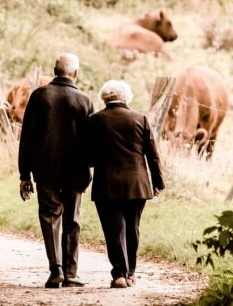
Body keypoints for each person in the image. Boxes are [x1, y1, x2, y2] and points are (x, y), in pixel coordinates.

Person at [18, 53, 94, 288]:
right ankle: (71, 274)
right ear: (76, 74)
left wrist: (24, 174)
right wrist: (89, 166)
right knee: (72, 219)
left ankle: (56, 269)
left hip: (45, 169)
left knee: (50, 217)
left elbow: (27, 138)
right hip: (75, 171)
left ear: (54, 70)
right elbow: (91, 141)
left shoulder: (39, 96)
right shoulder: (84, 100)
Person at [87, 80, 165, 289]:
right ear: (126, 97)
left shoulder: (95, 120)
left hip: (107, 185)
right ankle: (131, 273)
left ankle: (119, 274)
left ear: (104, 97)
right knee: (133, 228)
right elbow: (153, 156)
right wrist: (157, 182)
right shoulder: (140, 119)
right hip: (137, 184)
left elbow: (88, 156)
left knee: (113, 230)